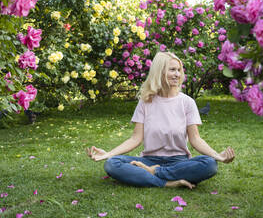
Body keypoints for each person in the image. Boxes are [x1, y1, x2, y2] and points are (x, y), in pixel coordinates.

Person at [86, 51, 235, 189]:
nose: (177, 74)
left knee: (209, 164)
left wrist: (217, 156)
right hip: (149, 160)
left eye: (179, 70)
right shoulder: (145, 102)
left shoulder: (187, 102)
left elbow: (195, 139)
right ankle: (167, 182)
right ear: (160, 72)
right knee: (112, 164)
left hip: (179, 162)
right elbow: (135, 139)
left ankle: (154, 173)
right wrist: (108, 154)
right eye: (172, 70)